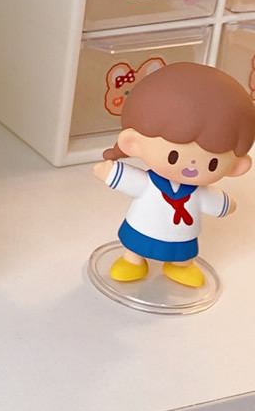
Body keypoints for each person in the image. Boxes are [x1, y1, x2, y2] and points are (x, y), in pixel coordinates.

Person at [93, 62, 255, 287]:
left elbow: (219, 204)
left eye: (212, 164)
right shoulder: (148, 184)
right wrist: (109, 172)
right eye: (173, 156)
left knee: (182, 253)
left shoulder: (199, 193)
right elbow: (125, 179)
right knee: (136, 245)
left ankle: (181, 266)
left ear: (237, 167)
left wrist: (225, 205)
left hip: (183, 237)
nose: (191, 167)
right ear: (132, 143)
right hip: (142, 228)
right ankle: (133, 261)